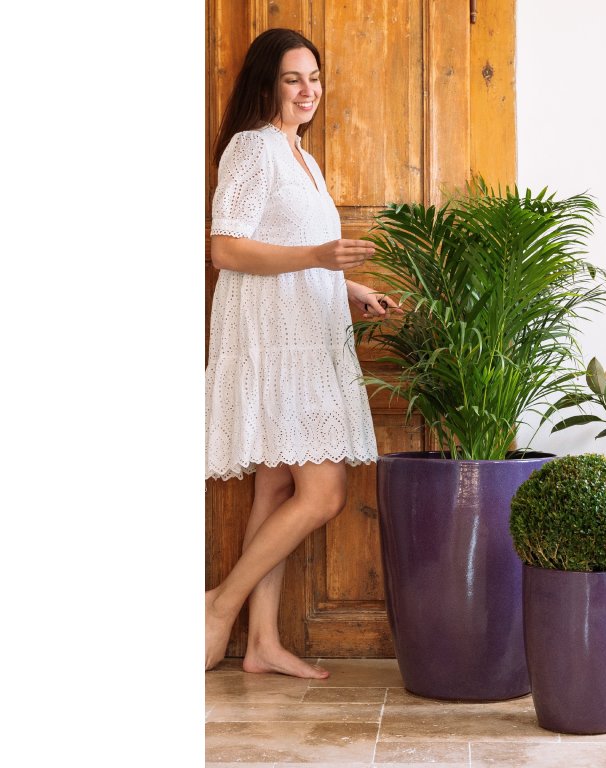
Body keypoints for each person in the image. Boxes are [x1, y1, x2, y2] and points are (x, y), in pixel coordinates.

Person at [204, 28, 399, 679]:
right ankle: (219, 606)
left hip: (309, 333)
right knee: (323, 493)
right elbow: (225, 249)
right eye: (294, 78)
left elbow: (300, 255)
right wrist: (318, 257)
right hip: (274, 343)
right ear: (268, 84)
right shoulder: (253, 147)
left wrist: (350, 289)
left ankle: (261, 641)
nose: (308, 90)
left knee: (277, 487)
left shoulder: (303, 159)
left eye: (314, 77)